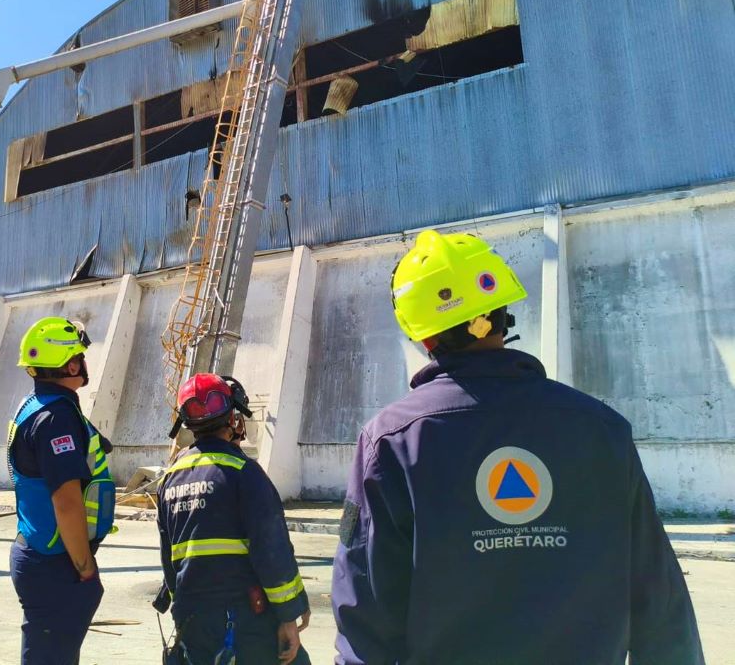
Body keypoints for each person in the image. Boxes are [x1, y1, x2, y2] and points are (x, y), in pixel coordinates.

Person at [331, 229, 705, 664]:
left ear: (422, 334)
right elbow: (660, 603)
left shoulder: (390, 442)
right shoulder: (603, 429)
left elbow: (364, 612)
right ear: (503, 310)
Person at [156, 373, 311, 664]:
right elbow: (271, 550)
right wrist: (290, 611)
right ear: (233, 418)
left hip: (191, 619)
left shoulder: (169, 479)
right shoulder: (244, 473)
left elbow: (169, 561)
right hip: (244, 620)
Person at [7, 317, 116, 665]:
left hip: (38, 552)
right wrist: (85, 568)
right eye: (80, 356)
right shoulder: (56, 418)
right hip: (54, 562)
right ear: (70, 364)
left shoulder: (37, 406)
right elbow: (67, 502)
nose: (84, 362)